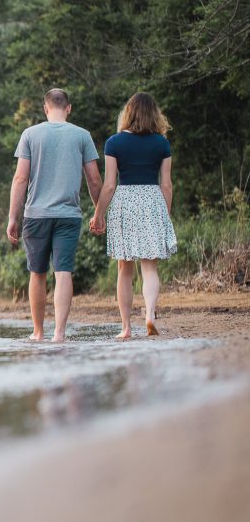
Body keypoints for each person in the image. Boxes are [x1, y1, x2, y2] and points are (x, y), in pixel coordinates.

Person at [7, 88, 102, 342]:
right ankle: (59, 333)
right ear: (68, 108)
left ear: (45, 108)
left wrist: (13, 217)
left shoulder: (30, 134)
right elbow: (94, 179)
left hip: (36, 215)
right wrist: (99, 211)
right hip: (68, 215)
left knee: (37, 273)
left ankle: (38, 333)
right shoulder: (82, 136)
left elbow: (20, 178)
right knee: (63, 272)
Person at [90, 92, 177, 339]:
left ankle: (126, 327)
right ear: (154, 114)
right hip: (152, 200)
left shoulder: (114, 142)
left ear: (127, 113)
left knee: (124, 268)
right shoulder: (162, 143)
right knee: (150, 266)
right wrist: (165, 213)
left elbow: (108, 185)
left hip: (125, 200)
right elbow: (167, 185)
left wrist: (98, 214)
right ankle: (149, 314)